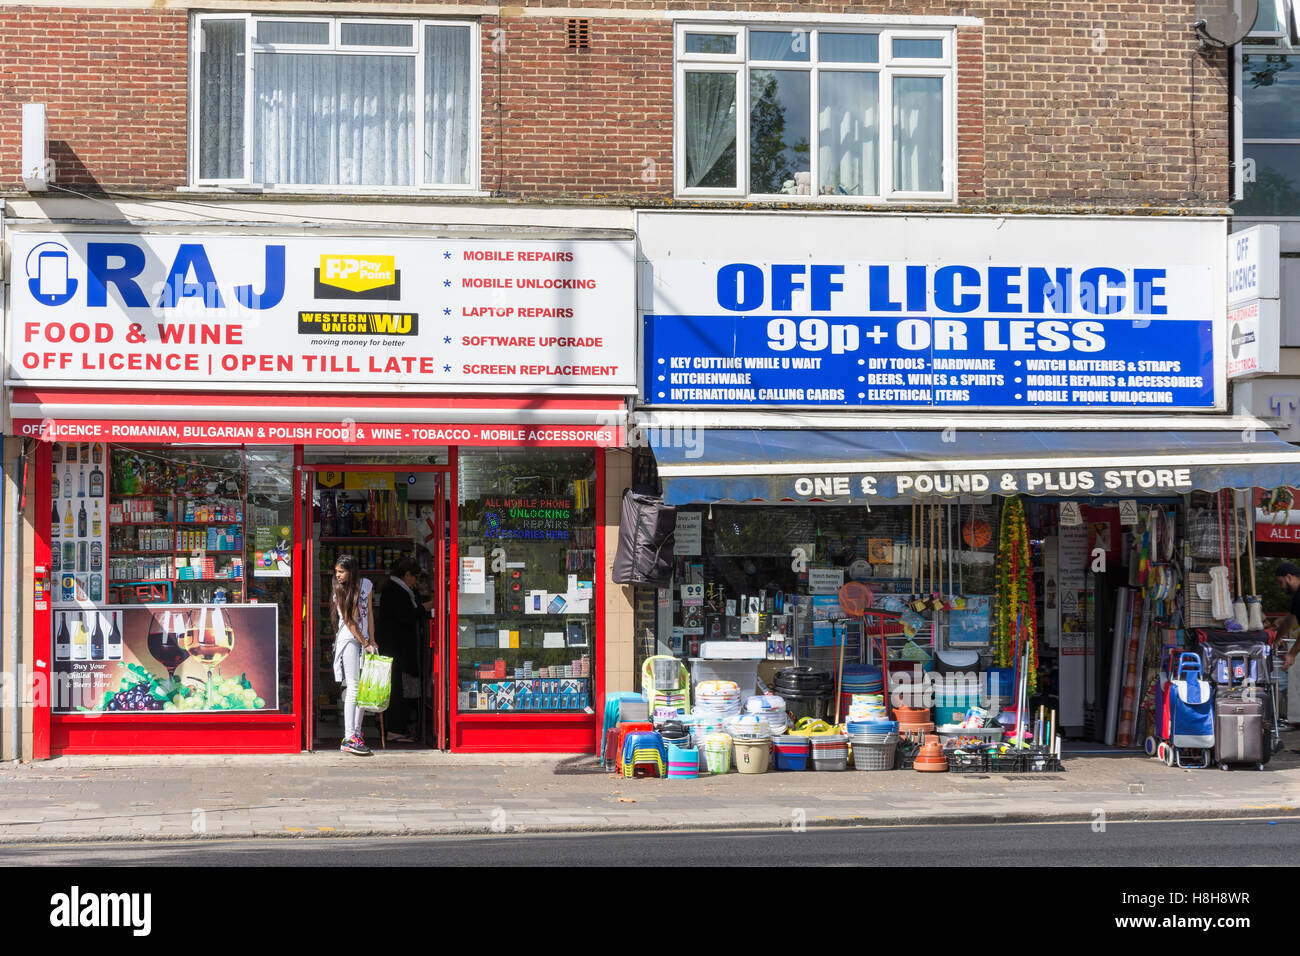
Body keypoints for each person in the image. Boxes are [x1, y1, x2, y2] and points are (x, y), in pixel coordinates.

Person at [377, 556, 434, 742]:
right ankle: (394, 729)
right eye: (415, 577)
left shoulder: (398, 589)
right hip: (395, 648)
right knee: (396, 690)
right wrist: (426, 607)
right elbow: (405, 616)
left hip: (397, 647)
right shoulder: (394, 591)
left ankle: (396, 727)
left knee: (398, 688)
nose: (416, 582)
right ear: (407, 574)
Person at [331, 554, 376, 755]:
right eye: (336, 572)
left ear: (352, 571)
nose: (338, 575)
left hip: (364, 640)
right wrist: (366, 642)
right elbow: (349, 621)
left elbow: (370, 613)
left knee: (363, 689)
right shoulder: (338, 590)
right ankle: (349, 737)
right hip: (349, 640)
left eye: (341, 571)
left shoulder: (366, 585)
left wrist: (372, 639)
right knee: (354, 687)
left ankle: (356, 733)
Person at [1275, 561, 1300, 673]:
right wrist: (1276, 640)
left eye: (1281, 582)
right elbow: (1288, 621)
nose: (1280, 587)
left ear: (1289, 577)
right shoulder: (1297, 597)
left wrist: (1291, 654)